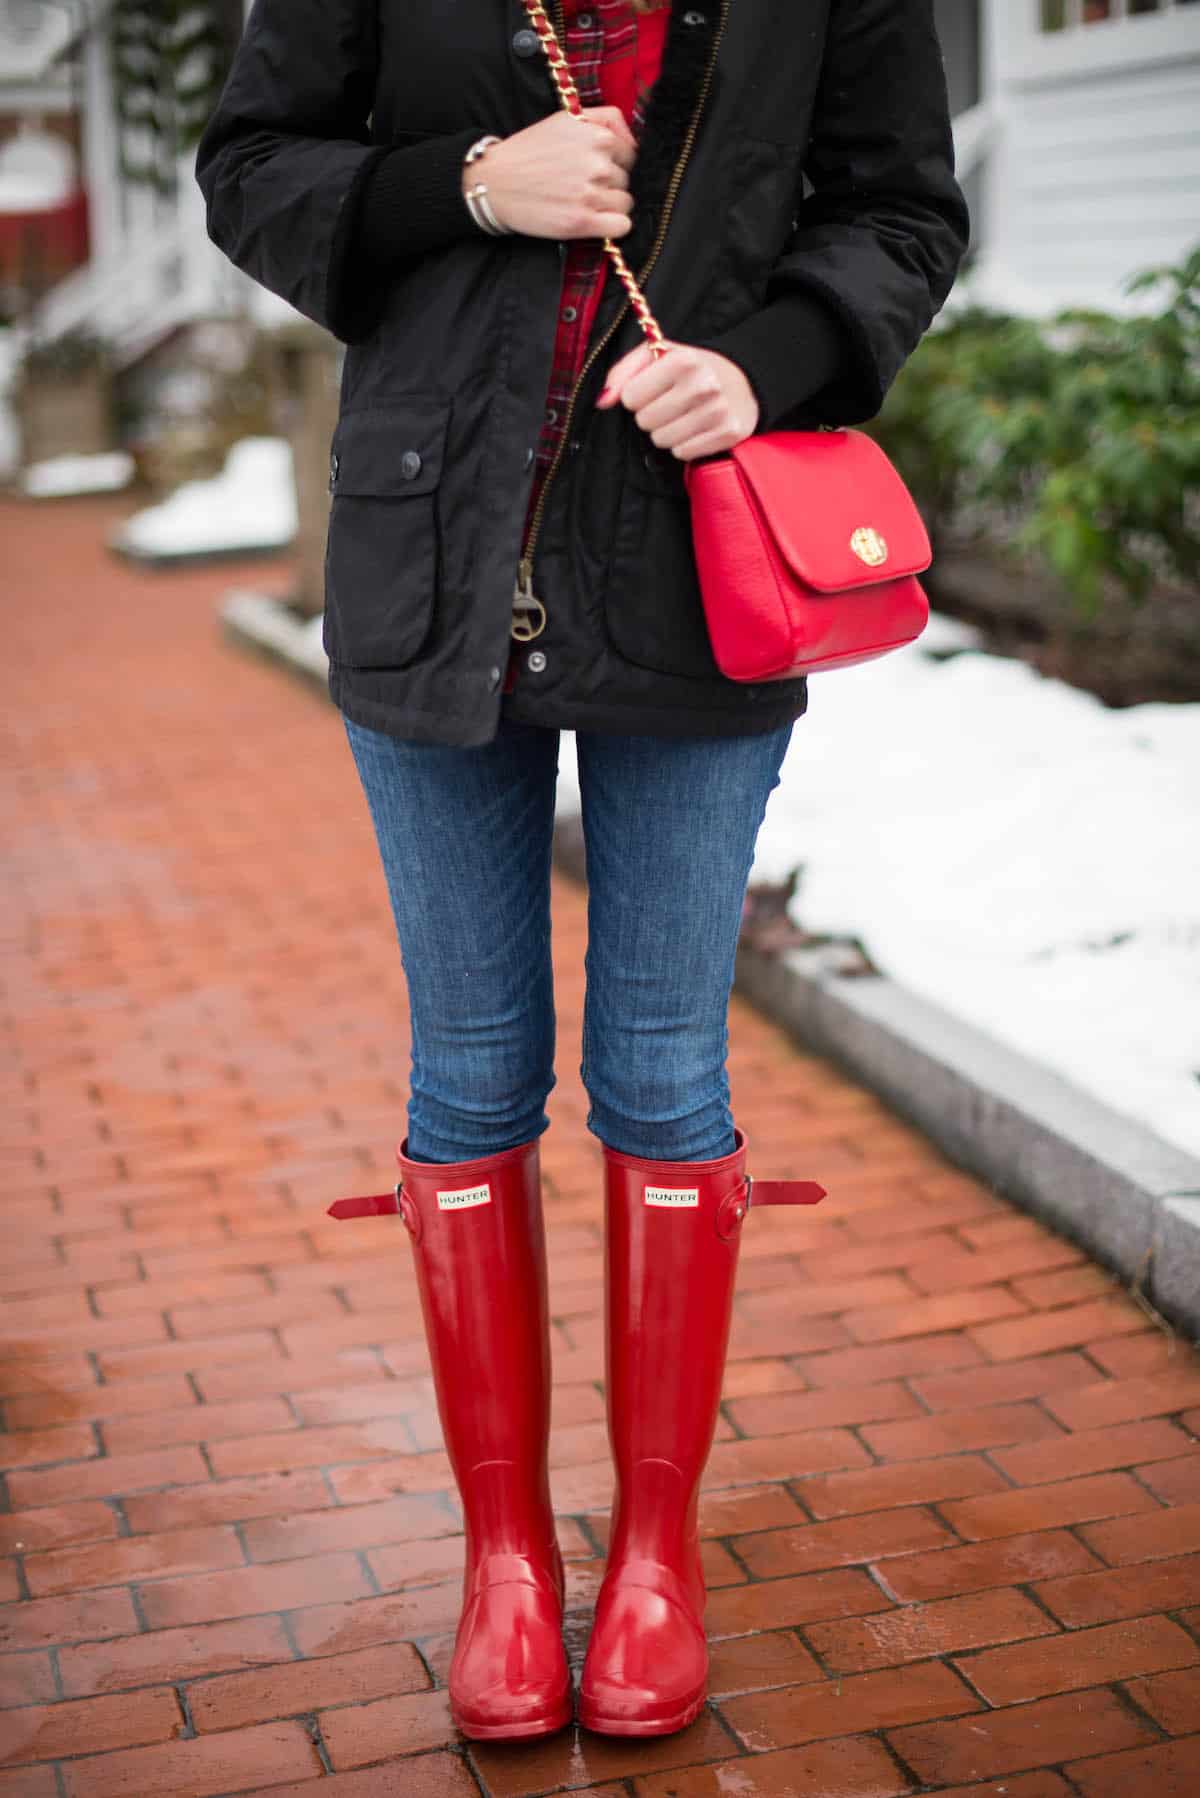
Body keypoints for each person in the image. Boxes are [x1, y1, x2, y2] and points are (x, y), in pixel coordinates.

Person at [195, 0, 968, 1745]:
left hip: (699, 580)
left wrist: (767, 358)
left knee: (666, 1083)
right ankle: (506, 1564)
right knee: (469, 1081)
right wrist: (470, 182)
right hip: (432, 556)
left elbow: (900, 210)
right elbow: (250, 166)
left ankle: (657, 1561)